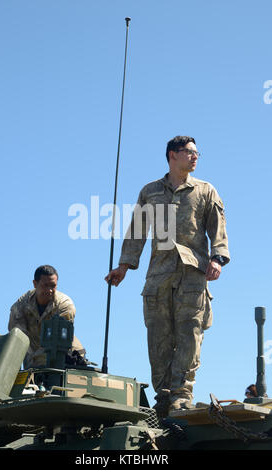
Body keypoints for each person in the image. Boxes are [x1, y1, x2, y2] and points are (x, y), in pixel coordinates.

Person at [105, 135, 230, 417]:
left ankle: (181, 396)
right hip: (158, 278)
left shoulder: (205, 190)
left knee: (189, 336)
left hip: (192, 276)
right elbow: (137, 231)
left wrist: (217, 258)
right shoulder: (150, 191)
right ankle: (163, 395)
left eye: (197, 153)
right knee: (158, 338)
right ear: (173, 155)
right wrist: (124, 266)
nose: (195, 157)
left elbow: (217, 229)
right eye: (190, 152)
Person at [8, 264, 85, 369]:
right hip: (33, 359)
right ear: (35, 284)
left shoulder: (65, 305)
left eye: (53, 286)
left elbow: (58, 340)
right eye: (45, 285)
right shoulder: (22, 304)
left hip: (66, 358)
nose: (49, 290)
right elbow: (17, 338)